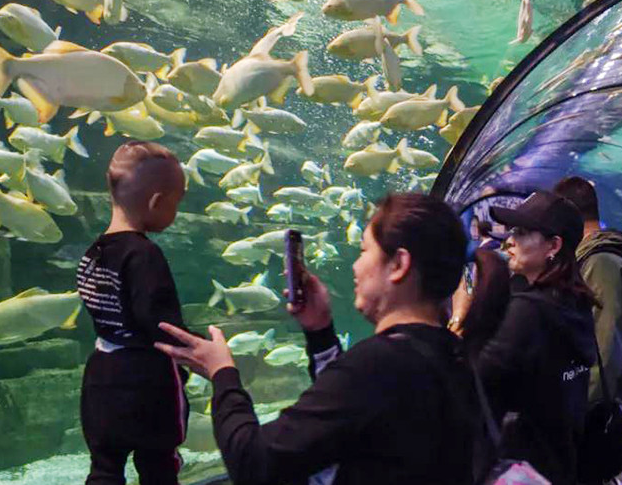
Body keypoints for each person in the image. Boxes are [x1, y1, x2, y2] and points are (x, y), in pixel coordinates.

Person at [156, 193, 477, 485]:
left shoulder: (376, 365)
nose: (355, 265)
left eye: (364, 250)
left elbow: (253, 463)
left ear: (398, 264)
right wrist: (320, 331)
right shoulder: (457, 355)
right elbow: (357, 416)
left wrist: (222, 373)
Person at [451, 191, 597, 484]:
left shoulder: (530, 312)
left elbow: (471, 384)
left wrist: (461, 316)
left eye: (522, 232)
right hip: (559, 462)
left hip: (520, 467)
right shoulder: (575, 303)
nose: (510, 241)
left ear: (554, 245)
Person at [77, 141, 190, 485]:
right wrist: (197, 352)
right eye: (177, 201)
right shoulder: (144, 255)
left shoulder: (93, 251)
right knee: (158, 465)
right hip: (146, 382)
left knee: (105, 468)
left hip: (100, 377)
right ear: (157, 202)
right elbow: (159, 322)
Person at [553, 176, 622, 484]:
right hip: (608, 404)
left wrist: (579, 405)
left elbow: (606, 349)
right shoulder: (595, 256)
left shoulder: (601, 262)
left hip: (612, 407)